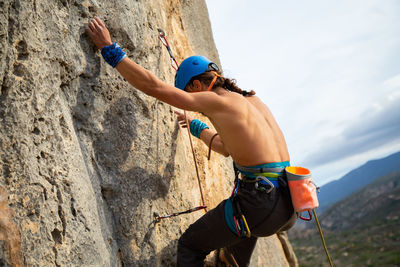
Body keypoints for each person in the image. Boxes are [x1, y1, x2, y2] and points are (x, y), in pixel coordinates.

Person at [86, 17, 297, 267]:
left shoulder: (217, 102)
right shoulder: (252, 100)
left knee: (190, 245)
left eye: (188, 94)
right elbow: (227, 148)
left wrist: (110, 50)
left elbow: (155, 88)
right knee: (232, 254)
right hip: (288, 202)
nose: (189, 102)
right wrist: (197, 127)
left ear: (197, 84)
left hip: (259, 204)